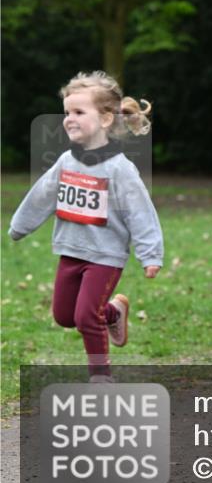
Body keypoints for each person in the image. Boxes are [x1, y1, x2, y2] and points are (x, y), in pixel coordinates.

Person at [8, 71, 163, 383]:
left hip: (105, 256)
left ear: (106, 119)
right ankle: (114, 313)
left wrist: (150, 254)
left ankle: (101, 378)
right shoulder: (66, 160)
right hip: (70, 250)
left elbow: (140, 211)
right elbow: (43, 194)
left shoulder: (120, 168)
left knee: (84, 318)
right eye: (67, 112)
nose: (69, 119)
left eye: (79, 112)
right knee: (65, 316)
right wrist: (20, 226)